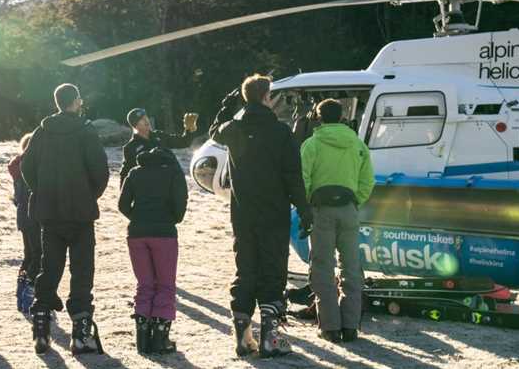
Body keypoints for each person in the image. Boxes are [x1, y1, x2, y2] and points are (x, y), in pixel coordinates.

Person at [210, 75, 312, 358]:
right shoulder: (280, 133)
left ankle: (243, 338)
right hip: (274, 213)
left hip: (243, 214)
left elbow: (213, 130)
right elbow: (293, 177)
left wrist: (228, 106)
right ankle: (270, 338)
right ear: (268, 97)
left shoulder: (233, 128)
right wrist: (304, 210)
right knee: (272, 270)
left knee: (245, 270)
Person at [21, 84, 109, 355]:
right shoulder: (86, 131)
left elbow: (26, 167)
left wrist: (42, 191)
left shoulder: (41, 132)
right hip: (80, 215)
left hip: (50, 214)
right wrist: (88, 195)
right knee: (82, 271)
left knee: (50, 268)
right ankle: (81, 332)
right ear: (76, 101)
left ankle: (41, 326)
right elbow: (100, 171)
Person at [301, 98, 374, 344]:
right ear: (342, 116)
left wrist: (309, 204)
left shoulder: (311, 145)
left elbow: (303, 180)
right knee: (351, 267)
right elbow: (368, 181)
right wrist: (355, 202)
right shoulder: (358, 145)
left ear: (318, 117)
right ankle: (351, 326)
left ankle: (330, 327)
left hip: (321, 210)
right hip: (349, 210)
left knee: (322, 267)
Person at [119, 147, 187, 355]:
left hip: (137, 234)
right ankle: (160, 339)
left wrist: (138, 218)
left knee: (145, 284)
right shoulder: (172, 173)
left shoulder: (134, 173)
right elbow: (180, 205)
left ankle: (142, 338)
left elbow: (122, 205)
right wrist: (170, 219)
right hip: (164, 233)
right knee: (165, 285)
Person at [120, 108, 198, 185]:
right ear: (135, 125)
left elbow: (183, 143)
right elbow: (125, 174)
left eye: (146, 117)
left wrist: (189, 130)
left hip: (168, 183)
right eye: (142, 119)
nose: (146, 121)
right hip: (149, 187)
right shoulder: (130, 147)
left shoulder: (159, 136)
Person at [9, 133, 39, 314]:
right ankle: (29, 294)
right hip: (34, 216)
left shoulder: (18, 167)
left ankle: (21, 292)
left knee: (29, 255)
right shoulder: (32, 166)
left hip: (22, 216)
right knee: (38, 256)